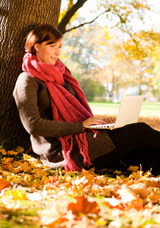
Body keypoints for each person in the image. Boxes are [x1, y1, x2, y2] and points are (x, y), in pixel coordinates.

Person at [13, 24, 160, 175]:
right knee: (139, 130)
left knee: (148, 157)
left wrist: (98, 123)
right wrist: (80, 126)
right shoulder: (27, 80)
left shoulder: (63, 74)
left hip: (83, 138)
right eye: (52, 46)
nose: (57, 52)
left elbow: (76, 112)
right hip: (63, 151)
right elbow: (33, 125)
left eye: (59, 47)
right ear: (36, 46)